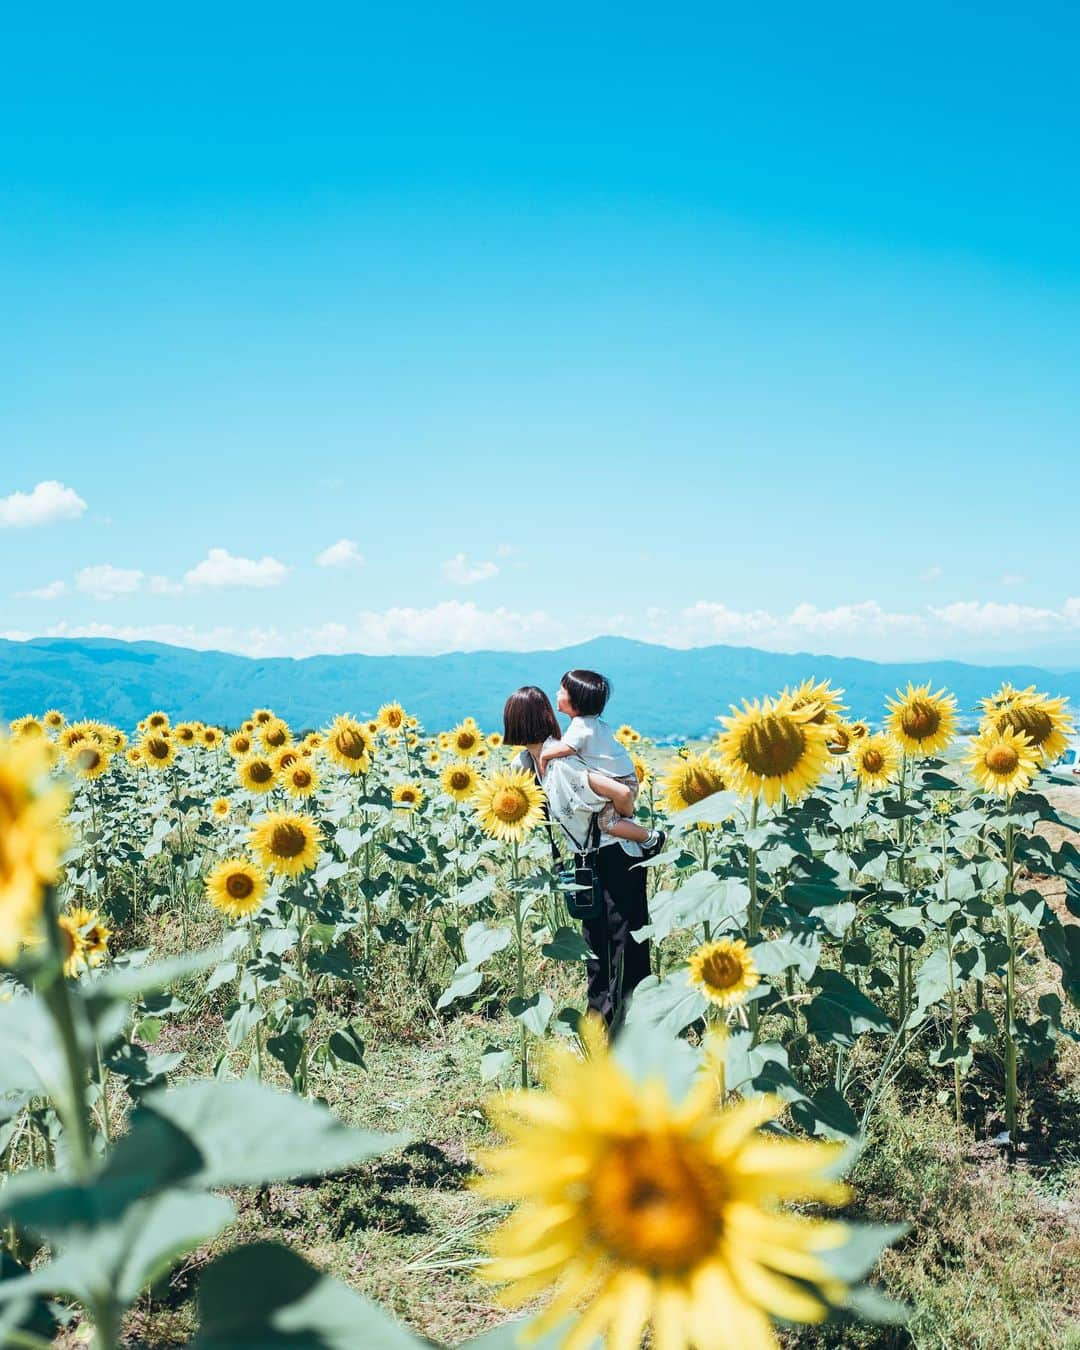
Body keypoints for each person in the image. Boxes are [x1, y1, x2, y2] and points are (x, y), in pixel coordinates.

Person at [503, 685, 652, 1030]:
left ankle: (629, 1032)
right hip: (586, 862)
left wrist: (621, 819)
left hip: (617, 856)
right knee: (596, 949)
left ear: (513, 722)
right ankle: (599, 1026)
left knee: (624, 947)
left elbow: (621, 792)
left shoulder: (563, 761)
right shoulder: (526, 763)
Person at [539, 668, 665, 858]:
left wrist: (544, 756)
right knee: (614, 820)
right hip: (625, 779)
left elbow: (567, 748)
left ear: (576, 700)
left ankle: (650, 838)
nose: (556, 694)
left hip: (621, 783)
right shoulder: (596, 724)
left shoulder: (580, 725)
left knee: (608, 823)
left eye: (562, 690)